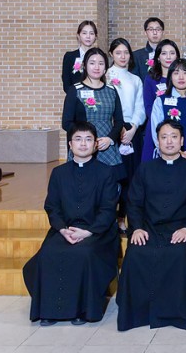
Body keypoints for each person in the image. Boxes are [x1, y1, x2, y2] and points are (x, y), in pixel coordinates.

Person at [116, 120, 186, 331]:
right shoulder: (145, 169)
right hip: (149, 229)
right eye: (164, 137)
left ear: (182, 141)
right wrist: (137, 228)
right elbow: (134, 202)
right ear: (157, 141)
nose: (169, 141)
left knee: (179, 254)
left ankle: (176, 314)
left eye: (174, 137)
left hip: (181, 230)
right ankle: (138, 313)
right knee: (137, 253)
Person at [23, 122, 119, 326]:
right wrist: (62, 229)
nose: (83, 144)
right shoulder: (59, 173)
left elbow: (108, 209)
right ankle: (48, 310)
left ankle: (81, 310)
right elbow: (52, 207)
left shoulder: (106, 173)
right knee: (48, 253)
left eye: (88, 139)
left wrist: (88, 232)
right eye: (78, 139)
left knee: (83, 253)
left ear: (95, 145)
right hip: (65, 230)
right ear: (70, 144)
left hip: (97, 232)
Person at [62, 48, 126, 183]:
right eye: (92, 63)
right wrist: (86, 138)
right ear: (85, 65)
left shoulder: (111, 90)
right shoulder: (75, 90)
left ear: (105, 68)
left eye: (101, 63)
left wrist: (110, 139)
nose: (96, 67)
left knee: (110, 187)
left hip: (106, 147)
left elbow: (119, 121)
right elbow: (66, 123)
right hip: (83, 147)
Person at [107, 38, 146, 232]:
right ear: (111, 54)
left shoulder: (135, 79)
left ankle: (124, 217)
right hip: (111, 131)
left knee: (131, 177)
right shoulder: (105, 75)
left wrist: (133, 128)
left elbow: (140, 107)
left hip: (132, 131)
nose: (123, 56)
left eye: (126, 52)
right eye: (118, 52)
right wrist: (117, 129)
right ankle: (109, 218)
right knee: (113, 177)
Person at [141, 39, 180, 162]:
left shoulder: (181, 78)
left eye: (172, 53)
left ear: (177, 56)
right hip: (155, 126)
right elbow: (148, 106)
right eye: (164, 53)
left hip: (178, 126)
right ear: (158, 57)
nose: (168, 57)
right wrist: (162, 125)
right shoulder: (150, 78)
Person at [61, 20, 97, 93]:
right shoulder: (69, 56)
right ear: (78, 35)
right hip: (75, 96)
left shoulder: (100, 57)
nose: (88, 36)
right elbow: (66, 84)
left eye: (91, 33)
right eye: (84, 33)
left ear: (96, 37)